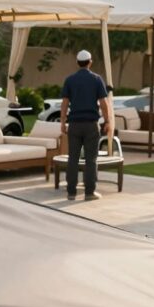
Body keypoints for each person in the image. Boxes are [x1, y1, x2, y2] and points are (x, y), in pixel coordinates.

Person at [59, 50, 112, 201]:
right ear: (90, 62)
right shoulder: (96, 79)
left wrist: (63, 122)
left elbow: (65, 103)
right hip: (91, 125)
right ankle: (89, 192)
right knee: (91, 159)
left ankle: (71, 192)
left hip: (74, 125)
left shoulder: (70, 80)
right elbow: (103, 103)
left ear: (77, 63)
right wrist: (107, 121)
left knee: (73, 159)